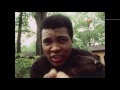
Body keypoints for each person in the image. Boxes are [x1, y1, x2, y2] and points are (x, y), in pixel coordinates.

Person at [30, 14, 105, 78]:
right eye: (47, 42)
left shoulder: (90, 63)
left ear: (71, 40)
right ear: (42, 44)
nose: (55, 48)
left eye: (62, 40)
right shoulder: (38, 67)